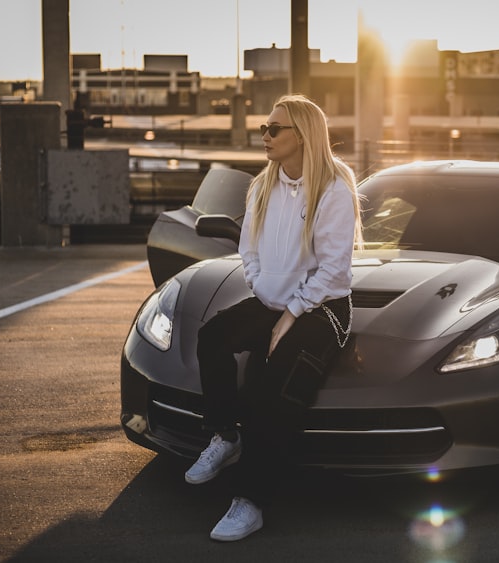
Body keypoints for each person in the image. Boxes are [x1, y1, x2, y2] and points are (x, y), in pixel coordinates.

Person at [184, 94, 361, 542]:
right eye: (264, 127)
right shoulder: (262, 185)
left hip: (323, 308)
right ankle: (226, 436)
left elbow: (335, 269)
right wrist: (264, 291)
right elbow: (249, 250)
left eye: (273, 129)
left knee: (273, 387)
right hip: (272, 299)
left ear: (301, 136)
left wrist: (293, 313)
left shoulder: (335, 188)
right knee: (213, 337)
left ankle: (250, 502)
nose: (264, 135)